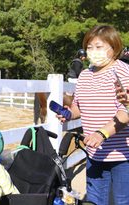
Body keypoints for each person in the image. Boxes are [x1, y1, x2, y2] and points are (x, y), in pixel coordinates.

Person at [56, 25, 129, 205]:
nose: (93, 52)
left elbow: (125, 112)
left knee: (122, 200)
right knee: (95, 200)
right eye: (89, 47)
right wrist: (68, 113)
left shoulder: (122, 72)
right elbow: (79, 107)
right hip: (94, 153)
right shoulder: (85, 75)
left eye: (99, 47)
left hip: (122, 156)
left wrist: (101, 133)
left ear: (114, 47)